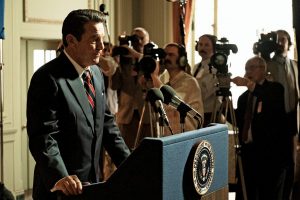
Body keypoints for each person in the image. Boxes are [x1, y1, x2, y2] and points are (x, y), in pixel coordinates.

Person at [26, 9, 130, 200]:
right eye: (94, 40)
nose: (102, 47)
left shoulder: (97, 74)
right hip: (61, 189)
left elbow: (108, 127)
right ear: (71, 40)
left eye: (102, 39)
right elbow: (43, 137)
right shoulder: (46, 78)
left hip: (93, 186)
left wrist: (131, 166)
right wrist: (62, 177)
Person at [232, 56, 291, 200]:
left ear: (264, 70)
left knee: (268, 193)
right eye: (246, 69)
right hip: (248, 153)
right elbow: (239, 121)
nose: (248, 72)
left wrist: (249, 85)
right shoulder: (244, 98)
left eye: (252, 68)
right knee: (248, 193)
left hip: (269, 154)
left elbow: (272, 105)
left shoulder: (275, 89)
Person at [267, 29, 299, 199]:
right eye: (276, 40)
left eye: (283, 40)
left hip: (292, 120)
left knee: (291, 163)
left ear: (289, 42)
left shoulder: (295, 65)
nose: (279, 43)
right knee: (275, 165)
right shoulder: (266, 64)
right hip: (274, 122)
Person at [111, 27, 153, 150]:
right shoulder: (125, 61)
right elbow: (114, 85)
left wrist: (136, 55)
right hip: (126, 115)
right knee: (127, 152)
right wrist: (116, 63)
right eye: (135, 38)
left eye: (141, 38)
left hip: (145, 114)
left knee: (146, 152)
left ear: (147, 40)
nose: (138, 41)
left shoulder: (150, 60)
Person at [151, 43, 204, 134]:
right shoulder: (168, 84)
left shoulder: (189, 82)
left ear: (182, 60)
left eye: (171, 55)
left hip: (186, 135)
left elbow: (171, 104)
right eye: (165, 55)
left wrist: (154, 76)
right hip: (172, 135)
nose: (166, 58)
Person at [192, 34, 222, 127]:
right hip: (197, 112)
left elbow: (207, 92)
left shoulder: (217, 67)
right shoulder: (196, 66)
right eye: (200, 44)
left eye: (206, 45)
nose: (202, 48)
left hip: (210, 114)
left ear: (214, 47)